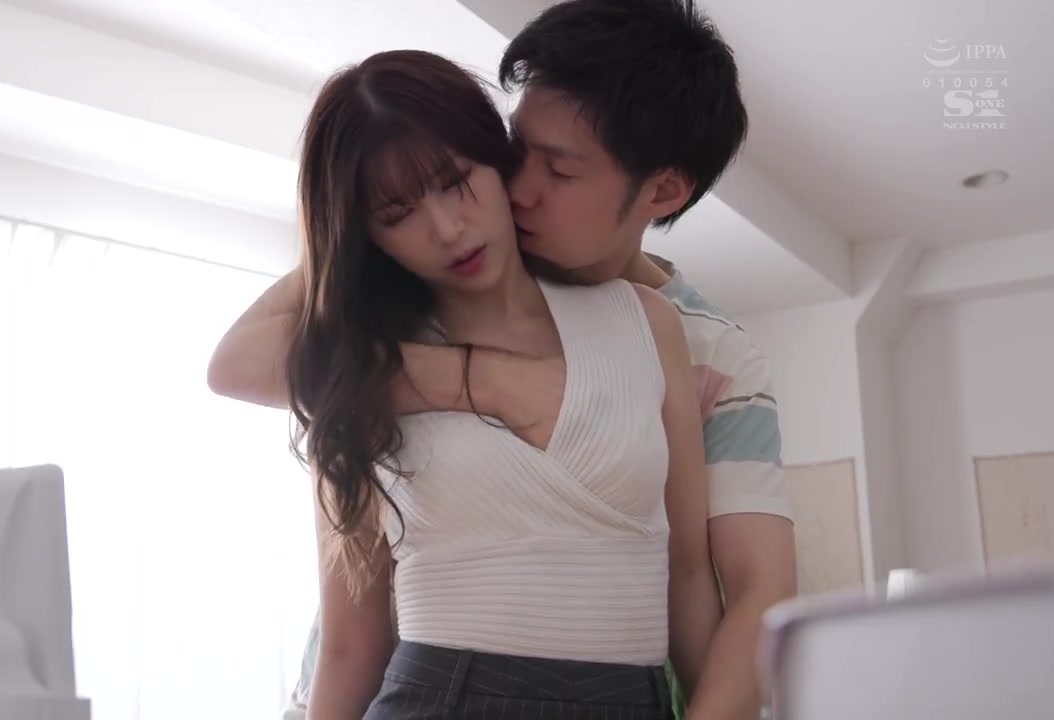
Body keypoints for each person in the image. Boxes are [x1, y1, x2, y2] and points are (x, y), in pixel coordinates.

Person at [216, 1, 797, 717]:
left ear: (662, 190)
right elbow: (349, 641)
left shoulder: (687, 340)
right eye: (516, 151)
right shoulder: (365, 352)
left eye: (558, 169)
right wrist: (473, 375)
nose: (518, 189)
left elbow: (718, 584)